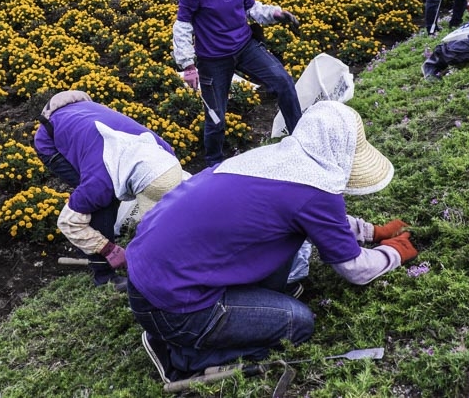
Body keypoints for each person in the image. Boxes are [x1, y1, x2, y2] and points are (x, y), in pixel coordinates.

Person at [125, 101, 417, 383]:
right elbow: (355, 269)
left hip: (152, 275)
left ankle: (241, 311)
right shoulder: (314, 192)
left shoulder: (273, 161)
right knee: (299, 323)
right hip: (174, 308)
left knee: (284, 239)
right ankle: (184, 358)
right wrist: (393, 252)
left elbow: (316, 217)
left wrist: (370, 233)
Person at [173, 0, 303, 166]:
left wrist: (276, 14)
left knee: (283, 81)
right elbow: (183, 25)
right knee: (215, 119)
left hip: (245, 47)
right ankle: (213, 165)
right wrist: (188, 65)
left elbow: (250, 8)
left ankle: (301, 140)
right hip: (213, 60)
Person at [32, 90, 184, 291]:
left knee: (106, 197)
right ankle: (104, 276)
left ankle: (108, 247)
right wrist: (107, 249)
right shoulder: (101, 181)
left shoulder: (164, 152)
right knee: (102, 205)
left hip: (83, 126)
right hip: (51, 141)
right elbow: (68, 222)